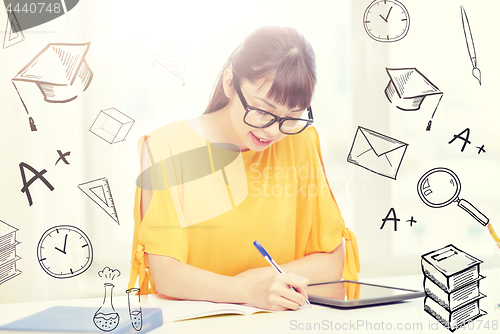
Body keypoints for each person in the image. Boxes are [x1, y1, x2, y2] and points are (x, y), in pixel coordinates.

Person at [128, 26, 360, 311]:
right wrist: (249, 290)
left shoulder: (299, 141)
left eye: (291, 117)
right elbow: (166, 274)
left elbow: (330, 261)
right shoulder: (168, 147)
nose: (273, 131)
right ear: (229, 84)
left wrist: (261, 278)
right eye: (262, 111)